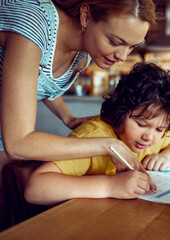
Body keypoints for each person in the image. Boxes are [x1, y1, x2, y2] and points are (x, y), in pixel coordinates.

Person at [0, 0, 156, 229]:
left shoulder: (83, 51)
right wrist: (108, 145)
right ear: (85, 16)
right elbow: (18, 143)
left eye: (132, 46)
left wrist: (67, 117)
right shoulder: (35, 25)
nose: (122, 56)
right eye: (114, 41)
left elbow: (39, 81)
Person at [24, 62, 170, 205]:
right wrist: (110, 186)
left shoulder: (153, 132)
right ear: (120, 112)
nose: (149, 137)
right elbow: (35, 188)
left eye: (159, 130)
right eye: (141, 124)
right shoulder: (94, 135)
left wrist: (167, 157)